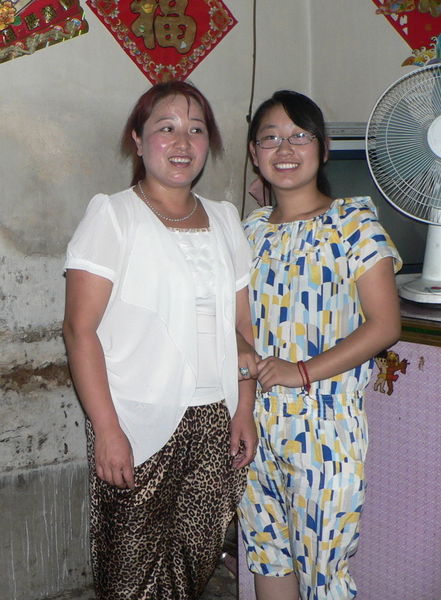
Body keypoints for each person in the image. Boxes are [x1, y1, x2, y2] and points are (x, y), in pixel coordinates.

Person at [62, 80, 259, 599]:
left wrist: (244, 409)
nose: (182, 142)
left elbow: (243, 328)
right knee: (129, 573)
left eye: (196, 130)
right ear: (137, 139)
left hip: (216, 415)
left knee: (194, 563)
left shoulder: (223, 218)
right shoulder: (114, 215)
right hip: (136, 414)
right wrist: (106, 428)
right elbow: (79, 329)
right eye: (166, 128)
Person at [237, 90, 402, 600]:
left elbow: (385, 325)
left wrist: (301, 371)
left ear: (323, 148)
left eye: (299, 136)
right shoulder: (246, 233)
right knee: (266, 554)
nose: (284, 149)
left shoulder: (355, 225)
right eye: (270, 138)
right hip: (252, 423)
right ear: (253, 153)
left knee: (324, 575)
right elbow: (236, 320)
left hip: (325, 427)